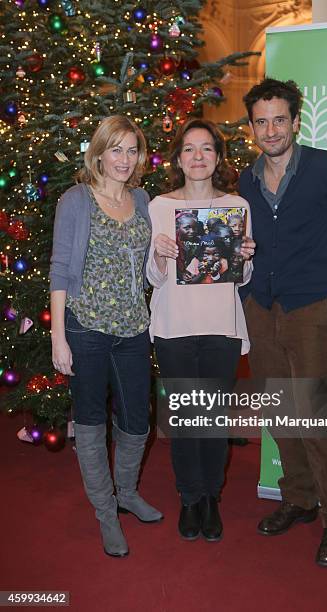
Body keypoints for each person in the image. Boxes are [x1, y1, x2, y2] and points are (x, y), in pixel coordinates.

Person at [239, 78, 327, 567]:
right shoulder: (246, 179)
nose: (271, 129)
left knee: (318, 417)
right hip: (260, 308)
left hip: (309, 312)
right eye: (262, 121)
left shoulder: (326, 168)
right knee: (280, 414)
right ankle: (298, 500)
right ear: (252, 127)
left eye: (280, 119)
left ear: (296, 122)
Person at [49, 115, 163, 558]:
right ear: (97, 153)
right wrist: (59, 337)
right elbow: (60, 270)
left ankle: (127, 492)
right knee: (93, 424)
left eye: (132, 150)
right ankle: (105, 513)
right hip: (87, 328)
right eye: (115, 149)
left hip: (135, 328)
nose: (124, 159)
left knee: (138, 418)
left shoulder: (144, 198)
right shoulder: (76, 200)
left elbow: (152, 266)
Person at [147, 118, 255, 542]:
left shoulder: (237, 206)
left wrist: (246, 256)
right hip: (174, 327)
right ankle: (190, 496)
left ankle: (211, 495)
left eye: (206, 148)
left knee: (212, 419)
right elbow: (153, 280)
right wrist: (158, 256)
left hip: (220, 326)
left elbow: (242, 279)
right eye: (189, 149)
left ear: (218, 157)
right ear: (178, 157)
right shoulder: (159, 206)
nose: (197, 156)